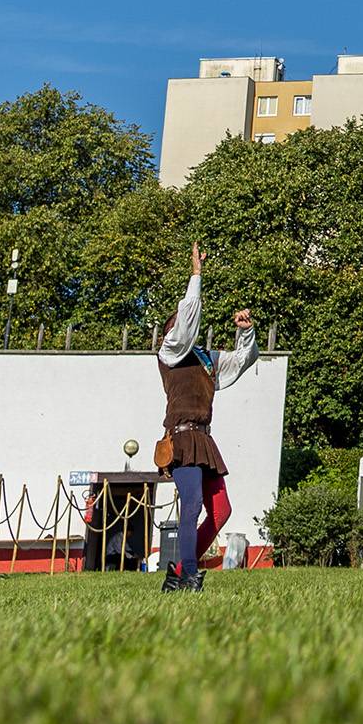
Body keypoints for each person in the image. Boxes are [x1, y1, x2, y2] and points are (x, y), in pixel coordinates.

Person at [157, 242, 259, 592]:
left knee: (221, 510)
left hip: (204, 438)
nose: (179, 329)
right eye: (175, 324)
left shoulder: (204, 359)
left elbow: (242, 361)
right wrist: (196, 276)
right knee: (193, 503)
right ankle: (188, 576)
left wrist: (245, 331)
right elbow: (184, 326)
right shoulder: (170, 352)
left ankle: (178, 569)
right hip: (182, 438)